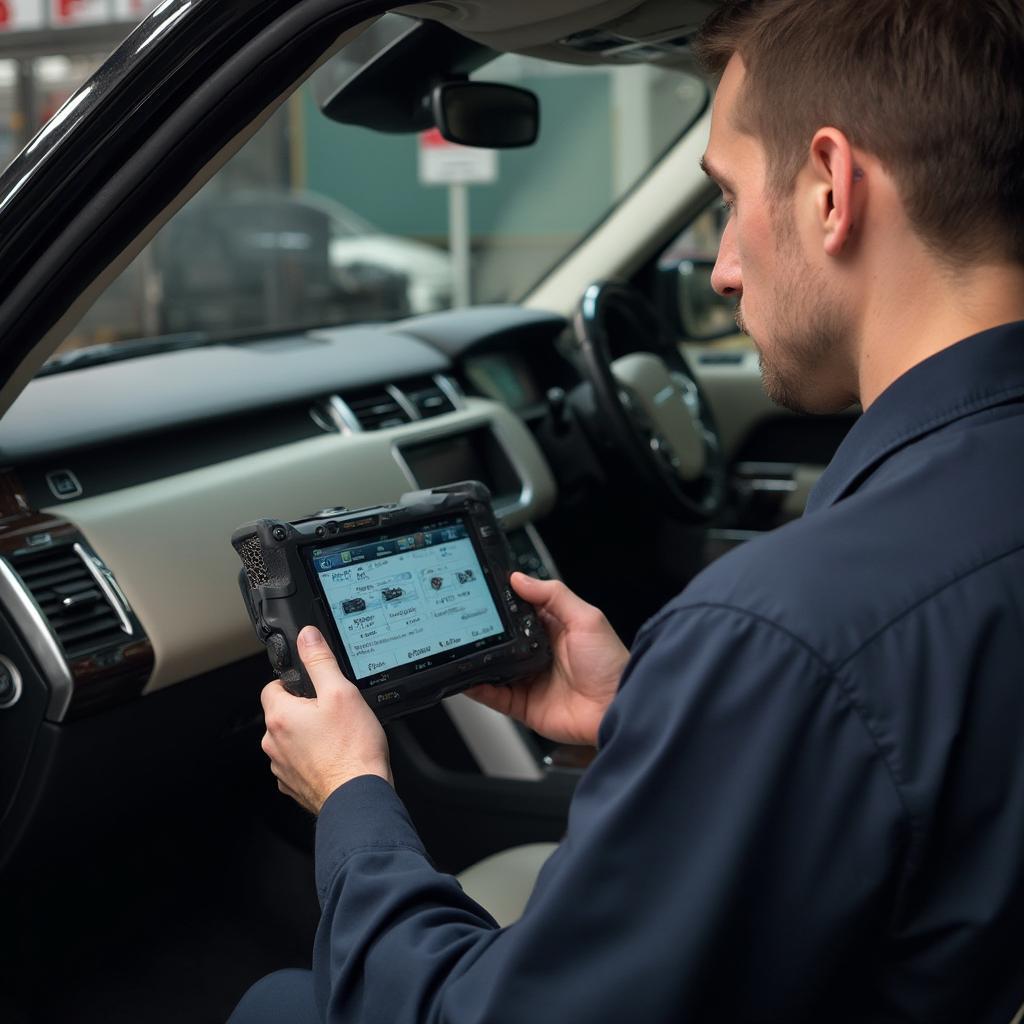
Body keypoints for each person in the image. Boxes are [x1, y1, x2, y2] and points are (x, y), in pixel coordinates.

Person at [230, 0, 1024, 1020]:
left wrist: (350, 796)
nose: (725, 266)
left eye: (728, 201)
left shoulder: (781, 633)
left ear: (831, 187)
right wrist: (653, 721)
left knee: (278, 1002)